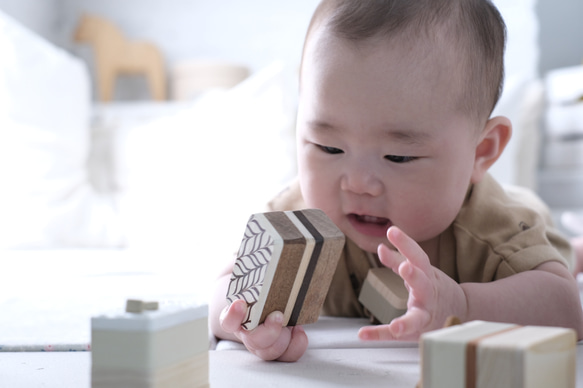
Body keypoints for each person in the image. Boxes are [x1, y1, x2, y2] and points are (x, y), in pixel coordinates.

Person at [209, 0, 583, 362]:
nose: (357, 183)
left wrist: (461, 306)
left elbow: (564, 307)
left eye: (398, 156)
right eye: (328, 147)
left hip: (527, 217)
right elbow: (223, 291)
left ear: (481, 151)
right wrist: (244, 320)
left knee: (561, 254)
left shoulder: (495, 231)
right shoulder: (296, 221)